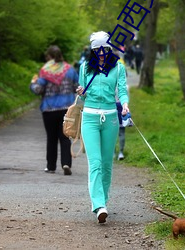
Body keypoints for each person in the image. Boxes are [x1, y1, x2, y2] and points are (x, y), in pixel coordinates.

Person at [76, 31, 129, 223]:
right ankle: (98, 205)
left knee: (107, 164)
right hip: (89, 118)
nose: (100, 53)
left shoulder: (118, 68)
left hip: (111, 119)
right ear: (92, 50)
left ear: (109, 49)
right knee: (95, 163)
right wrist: (81, 92)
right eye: (97, 49)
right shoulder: (85, 68)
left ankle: (103, 201)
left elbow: (122, 90)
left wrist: (124, 104)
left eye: (104, 49)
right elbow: (82, 96)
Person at [30, 45, 79, 175]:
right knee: (65, 137)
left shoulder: (45, 71)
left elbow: (38, 90)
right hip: (66, 109)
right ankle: (66, 163)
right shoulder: (70, 70)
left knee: (51, 138)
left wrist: (33, 83)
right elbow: (77, 87)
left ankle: (51, 166)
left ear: (49, 57)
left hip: (49, 109)